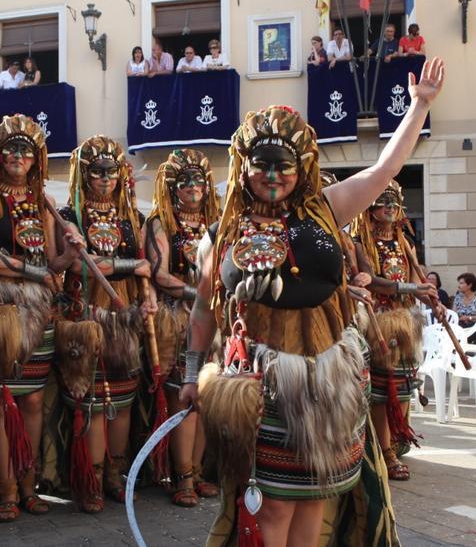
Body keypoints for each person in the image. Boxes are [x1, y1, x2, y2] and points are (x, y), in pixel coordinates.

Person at [180, 58, 444, 546]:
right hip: (263, 386)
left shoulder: (326, 208)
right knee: (273, 505)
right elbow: (201, 309)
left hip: (331, 383)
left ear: (302, 168)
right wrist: (191, 373)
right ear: (244, 167)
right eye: (262, 164)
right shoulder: (218, 236)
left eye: (285, 164)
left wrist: (419, 107)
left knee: (318, 499)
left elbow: (386, 168)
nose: (273, 175)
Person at [0, 114, 71, 521]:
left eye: (26, 151)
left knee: (31, 401)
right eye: (10, 149)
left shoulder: (43, 200)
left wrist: (71, 253)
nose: (17, 156)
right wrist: (31, 272)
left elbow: (51, 260)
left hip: (39, 308)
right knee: (0, 401)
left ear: (36, 159)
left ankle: (29, 483)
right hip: (0, 308)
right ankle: (6, 487)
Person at [55, 136, 157, 513]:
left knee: (124, 398)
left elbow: (148, 268)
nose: (105, 178)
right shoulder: (69, 217)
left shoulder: (134, 218)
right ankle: (91, 478)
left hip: (125, 314)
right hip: (86, 316)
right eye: (97, 172)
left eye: (111, 172)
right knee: (94, 401)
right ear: (84, 176)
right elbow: (80, 265)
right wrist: (131, 266)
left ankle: (115, 473)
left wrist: (148, 297)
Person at [144, 149, 222, 506]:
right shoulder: (162, 222)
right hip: (178, 319)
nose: (193, 187)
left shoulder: (218, 221)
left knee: (209, 398)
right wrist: (199, 293)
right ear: (173, 188)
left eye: (199, 181)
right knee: (183, 398)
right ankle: (183, 476)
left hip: (214, 318)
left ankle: (200, 470)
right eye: (185, 182)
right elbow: (158, 273)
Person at [352, 181, 435, 482]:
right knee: (381, 390)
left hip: (405, 320)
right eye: (382, 202)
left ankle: (398, 439)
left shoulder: (405, 244)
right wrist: (414, 287)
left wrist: (429, 295)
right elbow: (374, 282)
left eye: (393, 203)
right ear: (371, 210)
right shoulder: (361, 242)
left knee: (404, 386)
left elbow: (415, 280)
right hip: (378, 320)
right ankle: (383, 451)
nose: (388, 207)